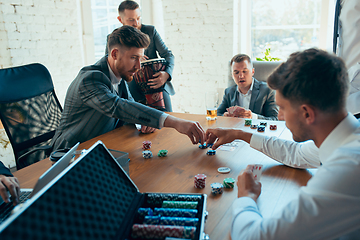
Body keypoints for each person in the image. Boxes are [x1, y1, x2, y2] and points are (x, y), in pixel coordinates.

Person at [206, 48, 360, 239]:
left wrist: (246, 197)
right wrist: (239, 134)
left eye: (282, 108)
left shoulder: (346, 171)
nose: (278, 116)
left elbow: (252, 237)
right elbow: (296, 154)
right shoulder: (343, 137)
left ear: (307, 114)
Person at [52, 26, 204, 151]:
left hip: (103, 145)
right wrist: (177, 122)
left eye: (140, 58)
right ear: (115, 54)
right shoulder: (90, 80)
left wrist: (142, 121)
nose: (139, 66)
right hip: (70, 154)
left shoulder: (120, 74)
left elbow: (131, 107)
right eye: (134, 58)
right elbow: (119, 107)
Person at [105, 0, 175, 112]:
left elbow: (168, 55)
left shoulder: (150, 31)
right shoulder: (113, 38)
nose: (136, 23)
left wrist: (166, 74)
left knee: (168, 120)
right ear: (120, 20)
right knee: (138, 126)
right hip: (131, 87)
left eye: (138, 18)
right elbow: (110, 66)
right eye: (131, 20)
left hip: (157, 83)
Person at [217, 54, 278, 120]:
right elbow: (217, 114)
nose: (241, 76)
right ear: (232, 75)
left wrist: (253, 117)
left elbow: (275, 119)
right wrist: (224, 116)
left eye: (244, 71)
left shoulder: (267, 90)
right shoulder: (229, 92)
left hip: (255, 129)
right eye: (236, 72)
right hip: (235, 129)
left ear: (252, 72)